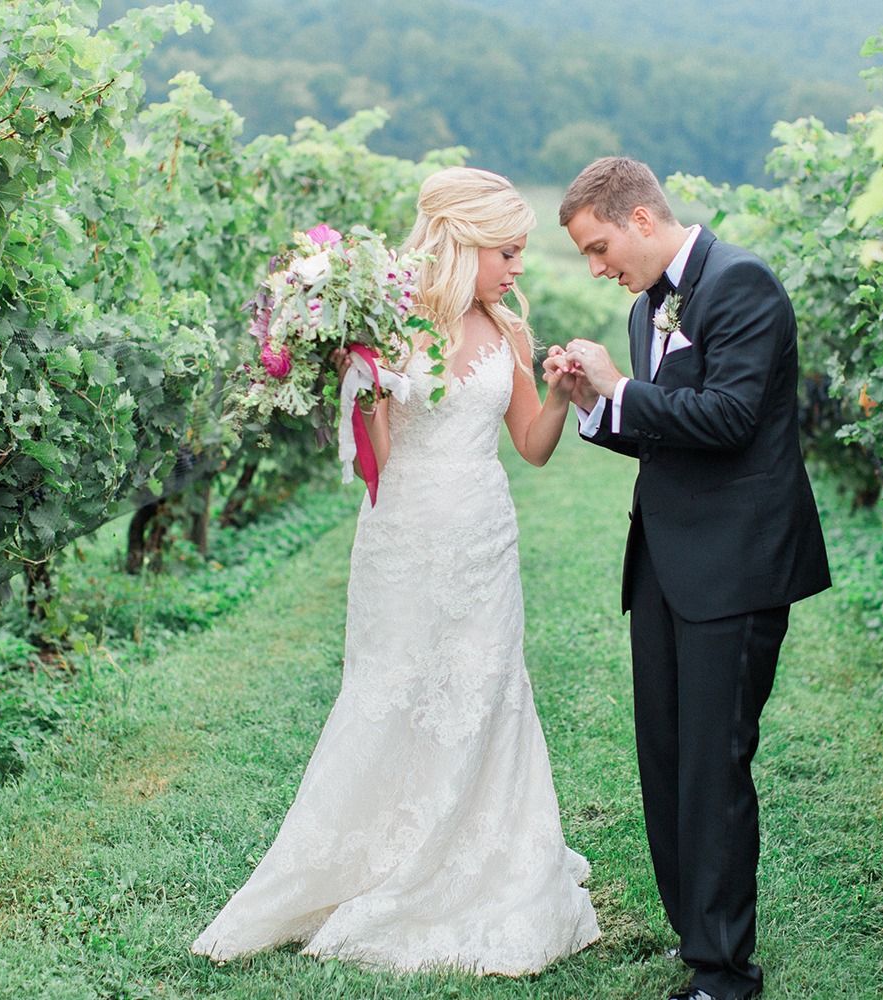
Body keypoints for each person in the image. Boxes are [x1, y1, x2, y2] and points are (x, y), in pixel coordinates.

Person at [190, 166, 600, 975]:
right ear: (463, 243)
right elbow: (374, 454)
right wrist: (361, 386)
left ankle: (481, 851)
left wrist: (559, 394)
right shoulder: (386, 327)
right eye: (507, 252)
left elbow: (532, 446)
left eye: (521, 253)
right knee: (394, 686)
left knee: (485, 685)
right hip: (403, 538)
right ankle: (378, 857)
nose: (519, 268)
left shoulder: (509, 332)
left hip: (484, 538)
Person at [546, 157, 831, 1000]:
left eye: (598, 248)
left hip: (736, 564)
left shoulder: (742, 284)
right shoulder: (647, 308)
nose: (596, 269)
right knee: (667, 756)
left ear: (639, 219)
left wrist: (621, 385)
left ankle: (725, 972)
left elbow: (732, 418)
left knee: (714, 762)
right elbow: (667, 432)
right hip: (664, 562)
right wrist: (595, 403)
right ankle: (696, 934)